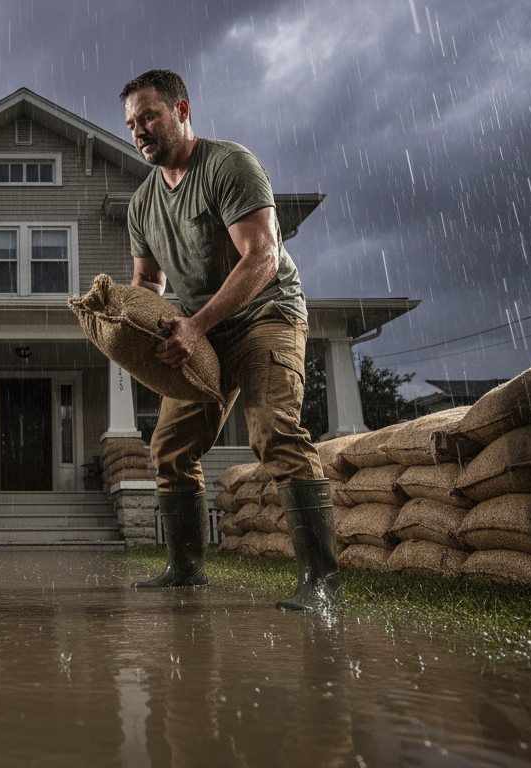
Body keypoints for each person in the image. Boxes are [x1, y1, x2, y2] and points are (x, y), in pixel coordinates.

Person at [120, 69, 338, 610]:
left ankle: (321, 586)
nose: (139, 130)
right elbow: (148, 283)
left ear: (182, 110)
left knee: (274, 432)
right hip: (203, 333)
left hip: (267, 312)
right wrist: (134, 326)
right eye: (130, 123)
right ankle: (185, 569)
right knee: (169, 446)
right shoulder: (141, 205)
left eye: (149, 115)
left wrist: (195, 325)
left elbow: (261, 256)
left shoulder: (227, 164)